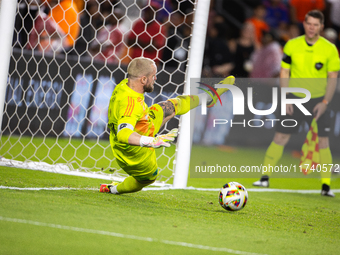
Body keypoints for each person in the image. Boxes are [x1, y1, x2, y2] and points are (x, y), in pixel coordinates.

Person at [100, 57, 235, 194]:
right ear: (143, 80)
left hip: (144, 123)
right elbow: (123, 134)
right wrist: (152, 141)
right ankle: (114, 189)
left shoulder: (125, 85)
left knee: (170, 106)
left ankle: (208, 97)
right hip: (134, 152)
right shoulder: (131, 104)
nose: (155, 79)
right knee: (148, 178)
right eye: (153, 76)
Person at [253, 10, 340, 197]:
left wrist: (325, 102)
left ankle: (326, 186)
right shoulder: (292, 45)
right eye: (309, 23)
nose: (311, 27)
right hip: (294, 98)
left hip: (319, 100)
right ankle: (264, 177)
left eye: (316, 25)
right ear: (305, 24)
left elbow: (333, 78)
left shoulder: (330, 49)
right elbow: (284, 72)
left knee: (323, 142)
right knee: (280, 137)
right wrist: (285, 97)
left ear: (322, 27)